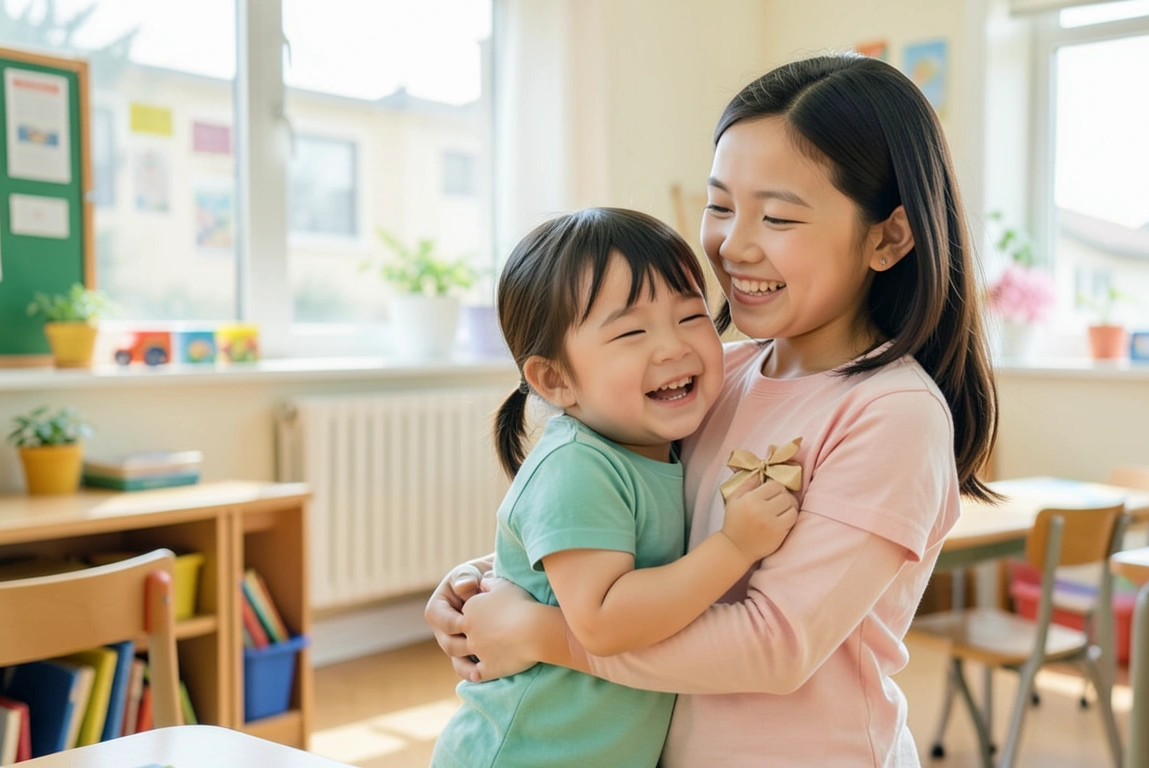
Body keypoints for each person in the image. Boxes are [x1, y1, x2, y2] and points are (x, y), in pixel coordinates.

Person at [426, 53, 1000, 767]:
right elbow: (644, 528)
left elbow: (774, 646)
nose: (733, 244)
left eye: (779, 216)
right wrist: (494, 581)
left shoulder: (892, 414)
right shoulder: (712, 374)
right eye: (721, 205)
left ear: (888, 237)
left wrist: (543, 634)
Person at [431, 207, 800, 767]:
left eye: (690, 316)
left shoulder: (654, 446)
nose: (673, 347)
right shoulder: (578, 465)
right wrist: (734, 547)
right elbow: (602, 620)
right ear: (555, 379)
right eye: (631, 332)